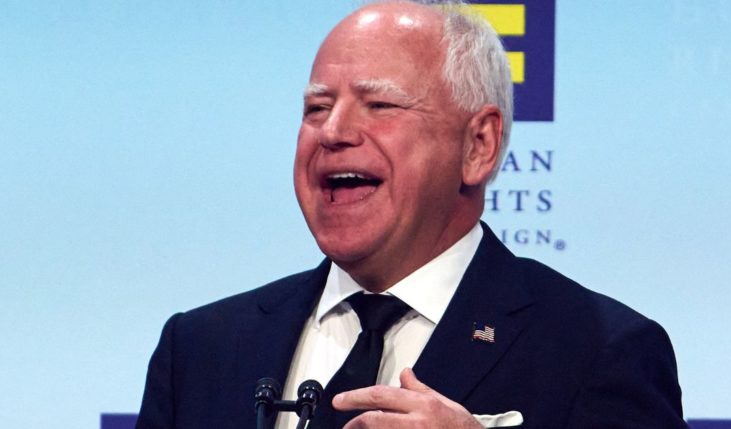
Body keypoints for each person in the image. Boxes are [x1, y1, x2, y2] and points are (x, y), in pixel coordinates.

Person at [135, 1, 686, 428]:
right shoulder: (201, 349)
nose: (333, 133)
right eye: (317, 108)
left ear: (479, 146)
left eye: (380, 105)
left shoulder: (597, 352)